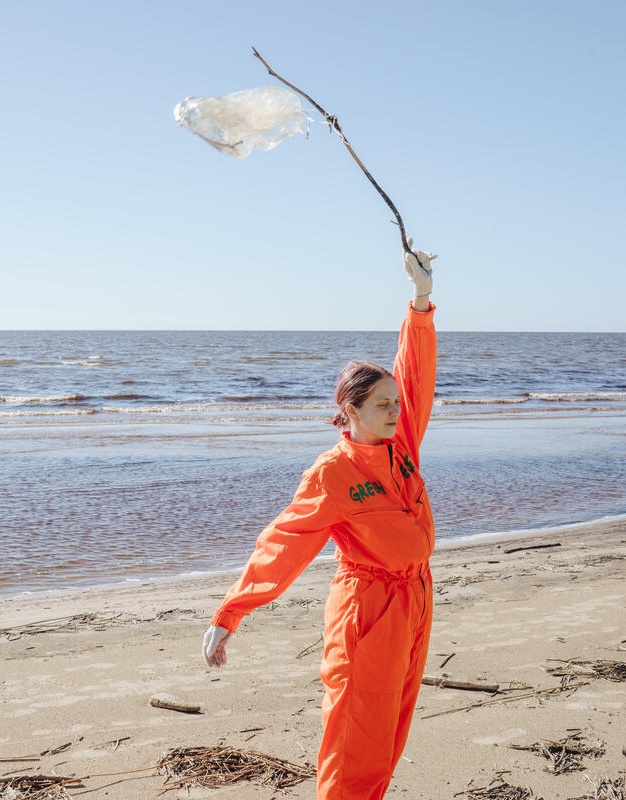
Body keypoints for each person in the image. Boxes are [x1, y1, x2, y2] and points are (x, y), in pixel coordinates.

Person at [202, 242, 440, 800]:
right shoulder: (331, 474)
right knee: (357, 733)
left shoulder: (401, 442)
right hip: (368, 612)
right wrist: (231, 611)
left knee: (392, 732)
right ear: (349, 411)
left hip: (415, 600)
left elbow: (415, 375)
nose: (394, 411)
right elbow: (283, 542)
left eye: (394, 404)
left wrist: (421, 301)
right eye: (381, 405)